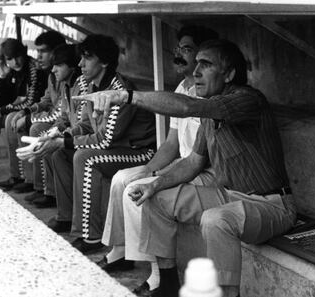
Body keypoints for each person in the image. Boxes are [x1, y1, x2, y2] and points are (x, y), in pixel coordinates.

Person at [74, 39, 297, 297]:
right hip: (229, 196)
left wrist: (126, 96)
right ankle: (168, 282)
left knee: (216, 220)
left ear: (230, 74)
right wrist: (154, 183)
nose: (196, 72)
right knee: (153, 198)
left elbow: (188, 106)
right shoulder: (210, 112)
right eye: (197, 64)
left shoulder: (247, 100)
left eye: (206, 64)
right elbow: (192, 162)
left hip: (271, 204)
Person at [100, 25, 218, 297]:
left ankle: (157, 277)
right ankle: (120, 250)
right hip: (182, 163)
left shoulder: (210, 94)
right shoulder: (182, 86)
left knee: (137, 191)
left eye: (187, 50)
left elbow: (197, 159)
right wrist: (149, 168)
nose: (179, 55)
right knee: (122, 178)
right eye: (178, 49)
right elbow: (171, 144)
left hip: (200, 170)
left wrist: (156, 177)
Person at [30, 34, 157, 254]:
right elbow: (86, 126)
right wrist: (61, 136)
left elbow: (105, 139)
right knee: (59, 154)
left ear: (105, 62)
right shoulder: (91, 86)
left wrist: (65, 142)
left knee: (85, 157)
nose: (80, 64)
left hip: (139, 152)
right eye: (81, 58)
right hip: (115, 148)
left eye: (87, 58)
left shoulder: (120, 90)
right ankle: (68, 218)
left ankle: (91, 236)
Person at [0, 38, 47, 191]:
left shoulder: (34, 69)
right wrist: (2, 77)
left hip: (36, 111)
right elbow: (0, 102)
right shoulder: (11, 70)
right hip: (17, 110)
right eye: (9, 59)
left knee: (10, 119)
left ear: (24, 52)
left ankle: (19, 176)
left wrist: (2, 111)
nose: (15, 61)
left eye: (17, 56)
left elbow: (31, 102)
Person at [8, 31, 67, 198]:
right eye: (37, 51)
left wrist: (28, 119)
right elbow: (45, 101)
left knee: (37, 128)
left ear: (56, 52)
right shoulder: (51, 75)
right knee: (14, 119)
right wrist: (25, 111)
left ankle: (46, 190)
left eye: (43, 51)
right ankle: (26, 179)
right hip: (57, 120)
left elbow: (61, 112)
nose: (38, 56)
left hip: (66, 124)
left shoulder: (69, 75)